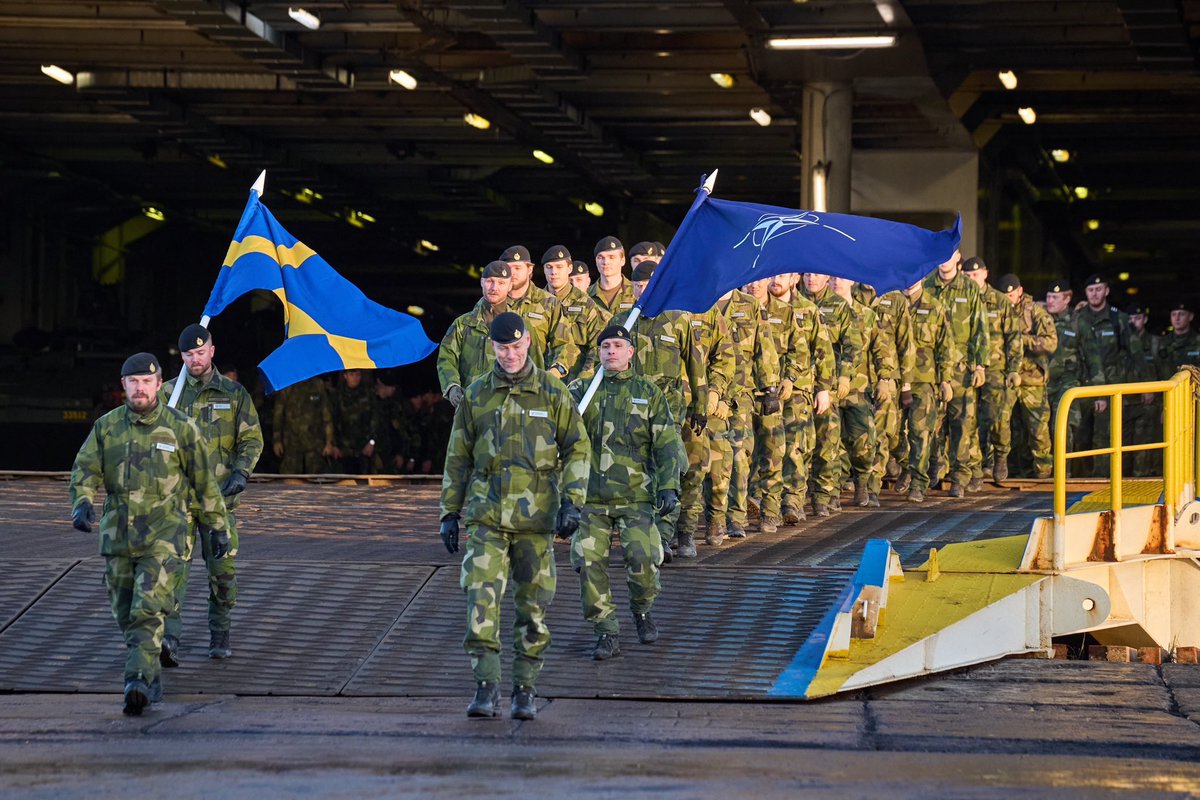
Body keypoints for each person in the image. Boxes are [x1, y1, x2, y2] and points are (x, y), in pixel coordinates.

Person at [439, 312, 589, 721]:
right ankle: (486, 686)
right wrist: (449, 511)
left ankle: (525, 689)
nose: (510, 354)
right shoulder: (476, 395)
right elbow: (458, 458)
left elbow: (577, 447)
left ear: (529, 345)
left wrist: (572, 500)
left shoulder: (552, 394)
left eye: (517, 346)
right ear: (492, 348)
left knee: (533, 609)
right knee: (479, 602)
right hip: (487, 517)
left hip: (537, 521)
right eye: (503, 347)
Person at [69, 352, 228, 714]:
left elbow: (204, 482)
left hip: (164, 537)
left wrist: (218, 527)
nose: (140, 388)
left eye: (147, 381)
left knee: (146, 611)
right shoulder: (106, 427)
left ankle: (136, 680)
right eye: (133, 382)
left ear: (160, 385)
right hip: (117, 539)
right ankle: (150, 674)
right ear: (123, 385)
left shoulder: (181, 428)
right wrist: (81, 502)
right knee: (125, 613)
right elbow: (85, 469)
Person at [569, 325, 683, 660]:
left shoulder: (648, 392)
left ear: (631, 352)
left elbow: (665, 445)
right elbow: (557, 435)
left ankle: (642, 609)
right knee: (588, 563)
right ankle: (606, 630)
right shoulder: (581, 390)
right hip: (590, 497)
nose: (611, 352)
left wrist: (669, 487)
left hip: (635, 496)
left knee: (643, 559)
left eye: (618, 345)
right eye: (605, 346)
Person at [161, 325, 263, 663]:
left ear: (212, 351)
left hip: (219, 502)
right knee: (173, 572)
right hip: (179, 503)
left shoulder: (234, 394)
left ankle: (220, 634)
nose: (195, 359)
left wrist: (241, 471)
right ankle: (169, 640)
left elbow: (251, 439)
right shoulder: (168, 394)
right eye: (189, 355)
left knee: (222, 573)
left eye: (200, 353)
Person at [923, 250, 989, 496]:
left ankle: (961, 477)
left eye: (949, 254)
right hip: (933, 366)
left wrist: (980, 364)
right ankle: (936, 469)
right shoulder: (928, 284)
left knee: (962, 424)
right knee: (933, 422)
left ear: (958, 257)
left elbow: (981, 328)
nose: (944, 259)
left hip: (962, 367)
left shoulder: (969, 288)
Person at [800, 272, 862, 515]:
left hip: (828, 383)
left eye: (817, 274)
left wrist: (845, 375)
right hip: (799, 384)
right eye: (807, 274)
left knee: (827, 441)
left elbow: (853, 346)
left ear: (827, 277)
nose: (811, 279)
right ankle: (798, 496)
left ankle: (826, 495)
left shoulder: (839, 307)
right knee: (800, 442)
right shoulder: (795, 304)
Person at [962, 258, 1021, 488]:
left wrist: (1014, 369)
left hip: (995, 370)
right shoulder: (961, 301)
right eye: (966, 276)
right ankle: (976, 470)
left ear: (985, 274)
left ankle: (1000, 456)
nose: (971, 280)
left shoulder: (999, 301)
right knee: (970, 421)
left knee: (996, 420)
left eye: (975, 275)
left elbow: (1014, 337)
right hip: (967, 368)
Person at [898, 281, 957, 502]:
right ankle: (906, 465)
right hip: (894, 378)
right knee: (891, 434)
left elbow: (945, 346)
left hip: (923, 380)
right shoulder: (891, 302)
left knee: (920, 433)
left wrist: (946, 380)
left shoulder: (935, 306)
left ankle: (918, 482)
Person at [1075, 274, 1134, 476]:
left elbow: (1134, 354)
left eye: (1098, 289)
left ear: (1106, 291)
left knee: (1105, 437)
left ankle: (1102, 481)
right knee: (1079, 436)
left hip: (1110, 387)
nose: (1094, 294)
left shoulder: (1119, 319)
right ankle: (1078, 482)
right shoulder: (1078, 318)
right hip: (1082, 385)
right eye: (1090, 290)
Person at [1000, 275, 1057, 479]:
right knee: (1004, 426)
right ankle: (1012, 470)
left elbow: (1051, 343)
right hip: (1007, 377)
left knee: (1038, 429)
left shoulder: (1036, 312)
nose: (1008, 298)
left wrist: (1022, 340)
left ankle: (1043, 472)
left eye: (1012, 294)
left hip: (1032, 378)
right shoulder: (998, 311)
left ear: (1020, 291)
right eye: (1004, 295)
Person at [542, 245, 608, 383]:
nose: (554, 272)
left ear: (569, 269)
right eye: (549, 267)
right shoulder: (535, 303)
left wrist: (583, 381)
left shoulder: (586, 304)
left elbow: (598, 347)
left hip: (573, 384)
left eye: (559, 267)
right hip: (539, 384)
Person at [1045, 279, 1084, 468]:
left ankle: (1064, 471)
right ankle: (1041, 471)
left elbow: (1092, 356)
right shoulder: (1040, 319)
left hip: (1067, 381)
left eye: (1055, 297)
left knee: (1062, 424)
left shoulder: (1077, 322)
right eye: (1049, 296)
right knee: (1039, 429)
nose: (1050, 301)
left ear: (1067, 299)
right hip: (1042, 382)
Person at [271, 375, 334, 473]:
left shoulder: (318, 385)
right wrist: (277, 440)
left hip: (314, 443)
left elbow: (326, 416)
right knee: (289, 480)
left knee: (315, 479)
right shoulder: (287, 386)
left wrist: (329, 442)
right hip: (292, 443)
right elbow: (278, 415)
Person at [331, 368, 382, 474]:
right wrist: (334, 445)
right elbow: (333, 421)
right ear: (345, 376)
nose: (355, 378)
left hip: (364, 448)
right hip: (344, 450)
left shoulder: (368, 394)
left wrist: (371, 442)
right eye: (351, 375)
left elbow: (375, 420)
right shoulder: (338, 396)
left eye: (357, 375)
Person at [589, 236, 637, 317]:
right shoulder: (586, 296)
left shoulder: (637, 292)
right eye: (600, 257)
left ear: (622, 260)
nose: (606, 262)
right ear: (596, 261)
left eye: (611, 257)